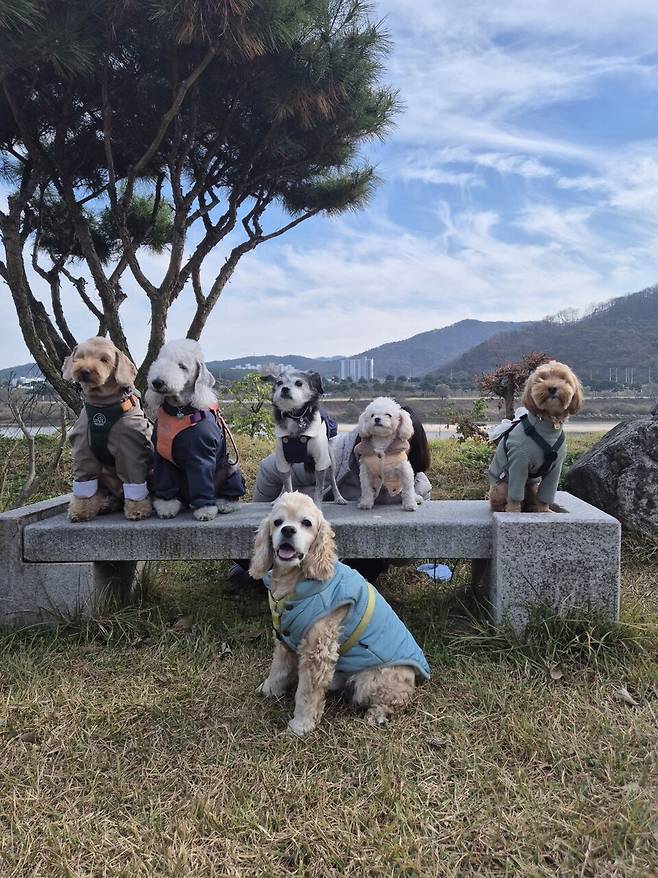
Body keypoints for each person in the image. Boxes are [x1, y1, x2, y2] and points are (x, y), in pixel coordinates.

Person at [228, 405, 432, 591]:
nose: (386, 450)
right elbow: (270, 468)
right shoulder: (335, 454)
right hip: (299, 536)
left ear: (411, 452)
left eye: (396, 444)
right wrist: (266, 521)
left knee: (362, 569)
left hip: (352, 553)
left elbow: (406, 556)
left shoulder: (417, 488)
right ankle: (263, 573)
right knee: (248, 549)